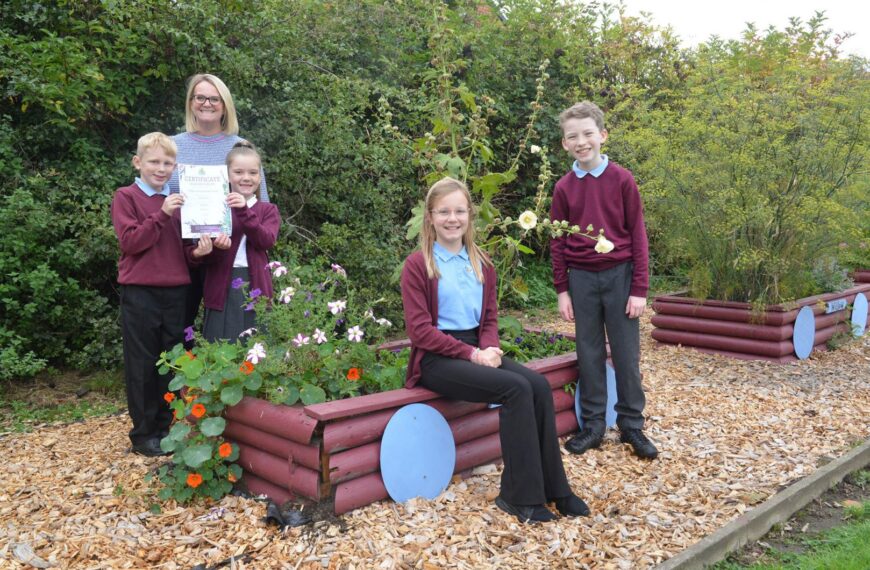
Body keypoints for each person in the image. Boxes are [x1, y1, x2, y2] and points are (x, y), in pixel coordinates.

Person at [401, 177, 589, 523]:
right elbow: (420, 331)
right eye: (444, 212)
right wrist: (472, 355)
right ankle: (519, 497)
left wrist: (489, 348)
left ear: (470, 215)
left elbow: (489, 318)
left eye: (459, 211)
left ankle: (555, 488)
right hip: (437, 359)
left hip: (476, 349)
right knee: (515, 389)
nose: (452, 218)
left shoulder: (482, 263)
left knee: (536, 386)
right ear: (430, 217)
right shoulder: (419, 265)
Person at [550, 101, 659, 460]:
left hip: (620, 277)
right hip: (581, 279)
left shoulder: (622, 180)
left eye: (587, 134)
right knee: (589, 352)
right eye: (572, 136)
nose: (581, 141)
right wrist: (562, 288)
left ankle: (632, 425)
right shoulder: (563, 188)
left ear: (602, 136)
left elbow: (638, 235)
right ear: (565, 144)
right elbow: (558, 242)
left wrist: (639, 288)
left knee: (626, 355)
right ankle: (594, 426)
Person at [112, 132, 218, 457]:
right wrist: (162, 214)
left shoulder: (177, 202)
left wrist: (200, 252)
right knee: (142, 364)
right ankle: (144, 435)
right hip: (140, 291)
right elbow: (130, 242)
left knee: (171, 363)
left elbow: (183, 253)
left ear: (175, 166)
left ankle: (168, 428)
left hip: (176, 292)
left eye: (167, 163)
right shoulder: (126, 196)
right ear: (138, 162)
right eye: (154, 162)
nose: (161, 168)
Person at [167, 73, 270, 347]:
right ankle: (180, 390)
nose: (207, 103)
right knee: (180, 328)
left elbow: (260, 205)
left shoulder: (241, 147)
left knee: (226, 328)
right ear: (190, 103)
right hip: (184, 254)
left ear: (224, 105)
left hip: (226, 253)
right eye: (200, 97)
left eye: (214, 98)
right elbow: (159, 200)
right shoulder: (172, 146)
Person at [201, 141, 280, 342]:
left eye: (253, 173)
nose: (246, 178)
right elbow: (209, 258)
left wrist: (243, 210)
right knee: (221, 345)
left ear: (260, 176)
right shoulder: (214, 207)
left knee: (255, 347)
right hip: (222, 284)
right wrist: (215, 248)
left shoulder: (268, 210)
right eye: (238, 172)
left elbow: (265, 240)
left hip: (256, 283)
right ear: (227, 175)